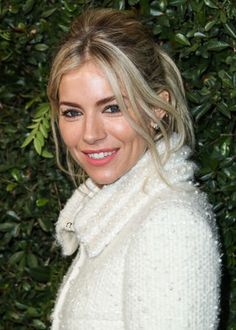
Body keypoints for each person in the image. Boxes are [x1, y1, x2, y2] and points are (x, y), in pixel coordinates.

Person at [47, 8, 221, 330]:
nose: (90, 134)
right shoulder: (118, 215)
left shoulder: (170, 227)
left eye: (112, 108)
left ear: (157, 109)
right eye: (72, 113)